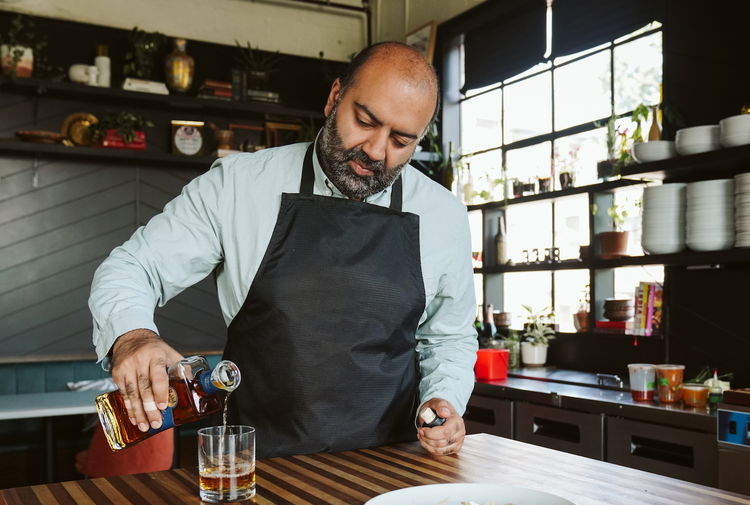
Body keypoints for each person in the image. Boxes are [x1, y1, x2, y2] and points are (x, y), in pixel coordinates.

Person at [89, 41, 478, 459]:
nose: (376, 150)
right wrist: (132, 337)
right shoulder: (239, 186)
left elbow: (449, 338)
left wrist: (444, 399)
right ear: (334, 98)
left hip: (391, 471)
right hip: (257, 467)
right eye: (365, 121)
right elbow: (134, 267)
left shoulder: (443, 216)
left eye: (401, 141)